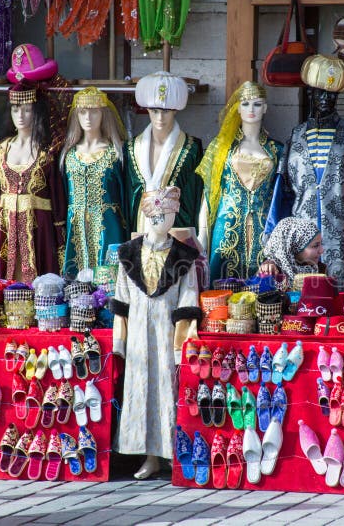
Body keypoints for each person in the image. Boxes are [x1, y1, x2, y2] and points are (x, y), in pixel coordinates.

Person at [109, 186, 202, 480]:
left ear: (175, 215)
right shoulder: (127, 254)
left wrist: (181, 347)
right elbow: (121, 302)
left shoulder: (184, 258)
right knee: (140, 392)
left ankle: (172, 454)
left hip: (165, 336)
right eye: (155, 213)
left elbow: (188, 303)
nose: (159, 219)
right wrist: (120, 343)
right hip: (137, 337)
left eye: (166, 214)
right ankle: (148, 456)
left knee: (166, 392)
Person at [265, 54, 344, 291]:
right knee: (303, 299)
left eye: (332, 94)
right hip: (301, 242)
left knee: (343, 304)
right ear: (310, 94)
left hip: (343, 236)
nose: (326, 98)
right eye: (320, 92)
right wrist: (272, 240)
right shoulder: (295, 137)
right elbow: (283, 192)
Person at [196, 81, 283, 280]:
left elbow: (281, 197)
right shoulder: (221, 148)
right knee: (222, 288)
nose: (251, 109)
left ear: (265, 108)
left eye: (257, 104)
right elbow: (208, 195)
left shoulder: (277, 150)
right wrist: (202, 235)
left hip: (264, 231)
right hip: (227, 228)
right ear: (237, 108)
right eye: (245, 104)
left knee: (263, 289)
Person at [0, 83, 66, 283]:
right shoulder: (2, 148)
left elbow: (58, 199)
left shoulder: (48, 153)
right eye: (15, 109)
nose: (20, 115)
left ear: (37, 113)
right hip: (6, 227)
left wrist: (59, 238)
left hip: (40, 229)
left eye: (27, 110)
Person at [123, 72, 203, 233]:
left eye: (166, 111)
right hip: (139, 231)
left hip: (176, 235)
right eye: (154, 111)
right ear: (146, 109)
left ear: (175, 111)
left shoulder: (191, 148)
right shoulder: (130, 148)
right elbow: (126, 198)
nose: (160, 117)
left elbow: (195, 198)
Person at [61, 87, 128, 278]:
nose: (88, 117)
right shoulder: (69, 155)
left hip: (108, 226)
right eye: (83, 112)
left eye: (94, 111)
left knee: (109, 280)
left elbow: (124, 195)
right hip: (76, 227)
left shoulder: (116, 153)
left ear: (103, 114)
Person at [259, 217, 324, 288]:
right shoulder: (271, 271)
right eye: (315, 245)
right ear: (293, 247)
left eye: (321, 244)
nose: (322, 251)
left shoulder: (319, 269)